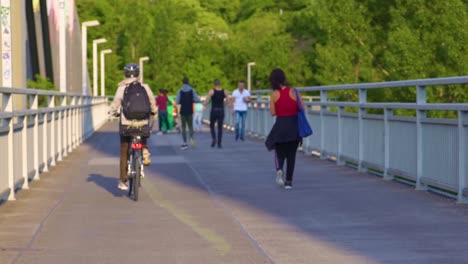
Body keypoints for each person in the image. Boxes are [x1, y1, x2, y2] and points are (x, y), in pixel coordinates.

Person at [108, 63, 157, 191]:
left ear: (125, 74)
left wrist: (112, 112)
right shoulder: (144, 87)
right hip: (142, 123)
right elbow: (152, 102)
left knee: (124, 149)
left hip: (126, 123)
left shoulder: (122, 88)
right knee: (143, 131)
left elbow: (115, 104)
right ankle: (144, 149)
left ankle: (123, 181)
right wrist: (153, 112)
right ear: (138, 74)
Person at [265, 68, 302, 190]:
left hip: (280, 125)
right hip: (293, 126)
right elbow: (302, 109)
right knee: (292, 155)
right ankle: (289, 182)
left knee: (279, 152)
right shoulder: (294, 92)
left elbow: (273, 112)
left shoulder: (274, 95)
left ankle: (279, 169)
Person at [205, 79, 230, 148]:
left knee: (212, 125)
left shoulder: (211, 91)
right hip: (221, 110)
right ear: (220, 84)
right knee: (220, 127)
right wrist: (224, 103)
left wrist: (205, 104)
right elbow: (228, 101)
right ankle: (219, 143)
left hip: (214, 110)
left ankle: (214, 139)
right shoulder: (224, 91)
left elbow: (207, 101)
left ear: (214, 84)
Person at [176, 77, 200, 149]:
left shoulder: (180, 91)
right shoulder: (192, 90)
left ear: (182, 82)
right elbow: (197, 99)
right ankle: (191, 138)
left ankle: (184, 142)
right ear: (188, 82)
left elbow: (177, 101)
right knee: (190, 126)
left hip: (183, 110)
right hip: (190, 110)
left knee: (183, 127)